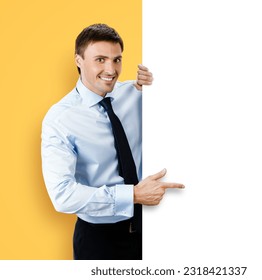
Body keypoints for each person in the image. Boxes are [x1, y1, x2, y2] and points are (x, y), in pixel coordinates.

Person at [41, 23, 184, 260]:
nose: (111, 69)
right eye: (100, 59)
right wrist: (134, 196)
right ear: (78, 60)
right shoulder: (61, 119)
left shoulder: (135, 94)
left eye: (117, 60)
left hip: (154, 229)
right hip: (100, 240)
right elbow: (62, 195)